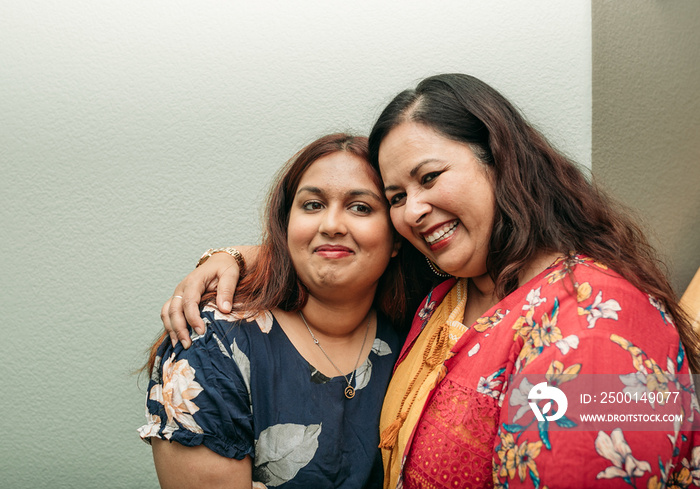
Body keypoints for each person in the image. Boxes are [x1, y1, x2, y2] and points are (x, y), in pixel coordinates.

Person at [159, 74, 700, 488]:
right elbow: (334, 251)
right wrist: (236, 257)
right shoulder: (445, 297)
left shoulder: (599, 318)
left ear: (501, 160)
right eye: (396, 197)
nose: (413, 210)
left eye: (430, 177)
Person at [139, 133, 408, 488]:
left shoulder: (422, 329)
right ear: (286, 225)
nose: (331, 225)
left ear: (398, 238)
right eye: (312, 205)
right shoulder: (211, 344)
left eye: (361, 207)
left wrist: (233, 254)